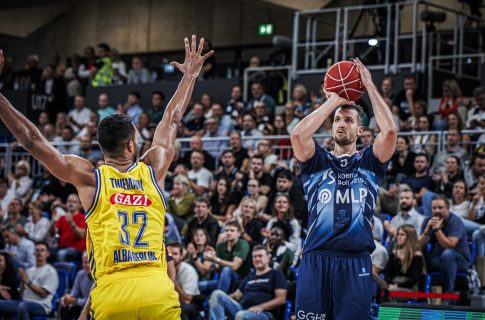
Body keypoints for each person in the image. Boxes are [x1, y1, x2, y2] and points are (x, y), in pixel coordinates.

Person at [0, 36, 214, 320]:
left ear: (101, 148)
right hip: (156, 288)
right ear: (131, 145)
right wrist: (189, 76)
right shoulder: (153, 168)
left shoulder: (89, 177)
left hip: (113, 293)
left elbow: (31, 140)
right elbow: (172, 120)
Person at [290, 58, 397, 319]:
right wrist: (334, 102)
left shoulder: (370, 161)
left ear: (360, 129)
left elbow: (391, 131)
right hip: (316, 258)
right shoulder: (317, 161)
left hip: (355, 261)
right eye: (338, 120)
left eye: (348, 120)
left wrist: (369, 86)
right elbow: (297, 136)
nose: (341, 124)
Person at [209, 245, 287, 320]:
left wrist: (261, 306)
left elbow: (281, 299)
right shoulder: (250, 276)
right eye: (255, 257)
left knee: (241, 315)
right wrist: (218, 300)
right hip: (242, 310)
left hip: (264, 313)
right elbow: (236, 296)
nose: (257, 259)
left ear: (268, 258)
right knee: (217, 294)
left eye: (260, 256)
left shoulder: (276, 274)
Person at [419, 195, 471, 293]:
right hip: (437, 259)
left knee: (448, 254)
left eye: (440, 207)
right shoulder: (427, 221)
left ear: (448, 209)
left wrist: (437, 230)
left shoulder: (455, 221)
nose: (437, 210)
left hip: (459, 260)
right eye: (434, 208)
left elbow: (450, 245)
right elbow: (419, 246)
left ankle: (448, 294)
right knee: (417, 254)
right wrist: (426, 231)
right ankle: (419, 294)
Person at [0, 241, 59, 320]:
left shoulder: (51, 271)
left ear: (48, 254)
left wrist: (28, 281)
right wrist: (22, 282)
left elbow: (43, 294)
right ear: (34, 253)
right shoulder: (29, 270)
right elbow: (21, 294)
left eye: (42, 250)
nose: (39, 253)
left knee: (23, 306)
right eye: (37, 250)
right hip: (23, 301)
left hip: (41, 305)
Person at [200, 220, 251, 295]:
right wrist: (212, 261)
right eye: (226, 230)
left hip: (240, 280)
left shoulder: (243, 244)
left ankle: (219, 298)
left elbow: (234, 266)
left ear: (239, 234)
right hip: (223, 280)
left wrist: (215, 259)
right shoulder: (220, 246)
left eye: (232, 231)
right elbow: (219, 270)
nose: (229, 233)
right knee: (200, 286)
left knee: (227, 270)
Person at [59, 252, 94, 320]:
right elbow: (74, 294)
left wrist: (75, 301)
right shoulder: (80, 274)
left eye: (89, 262)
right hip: (81, 305)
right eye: (85, 262)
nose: (87, 265)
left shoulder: (99, 277)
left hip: (94, 306)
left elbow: (93, 301)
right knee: (62, 303)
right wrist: (67, 298)